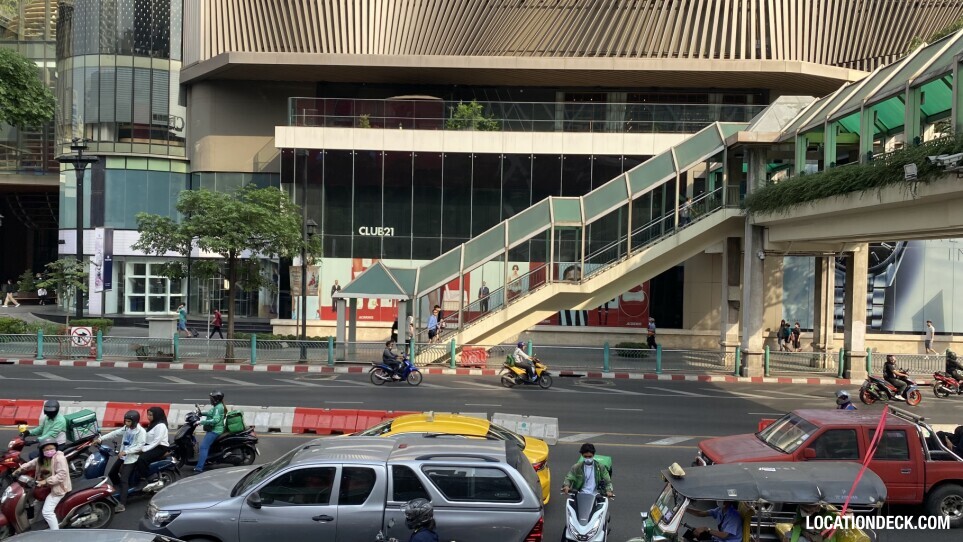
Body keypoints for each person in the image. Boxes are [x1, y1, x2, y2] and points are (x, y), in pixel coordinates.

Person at [12, 438, 71, 530]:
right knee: (36, 505)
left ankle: (56, 533)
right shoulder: (42, 459)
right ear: (42, 451)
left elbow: (62, 475)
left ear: (55, 448)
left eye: (52, 449)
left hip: (58, 488)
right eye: (46, 449)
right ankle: (32, 526)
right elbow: (31, 463)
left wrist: (45, 481)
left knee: (47, 512)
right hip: (44, 488)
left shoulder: (59, 458)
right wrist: (19, 469)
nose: (49, 451)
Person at [94, 410, 147, 513]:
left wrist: (126, 452)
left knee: (124, 479)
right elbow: (115, 433)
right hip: (123, 456)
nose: (126, 423)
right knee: (112, 473)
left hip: (132, 458)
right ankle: (120, 490)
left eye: (129, 421)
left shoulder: (141, 432)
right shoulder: (126, 428)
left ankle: (122, 504)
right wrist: (101, 439)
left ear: (135, 421)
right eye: (125, 421)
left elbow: (140, 446)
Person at [134, 406, 170, 489]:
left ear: (157, 415)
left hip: (160, 447)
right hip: (150, 445)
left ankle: (147, 478)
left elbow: (156, 441)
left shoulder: (161, 426)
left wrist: (144, 449)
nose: (148, 417)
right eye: (148, 415)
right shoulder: (153, 423)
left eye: (151, 415)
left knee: (142, 459)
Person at [195, 390, 226, 473]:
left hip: (215, 431)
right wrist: (202, 413)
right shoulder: (217, 406)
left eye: (212, 399)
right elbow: (211, 413)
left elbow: (215, 420)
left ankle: (199, 468)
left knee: (203, 447)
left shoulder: (218, 407)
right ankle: (207, 460)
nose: (210, 400)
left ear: (216, 399)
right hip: (214, 429)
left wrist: (201, 422)